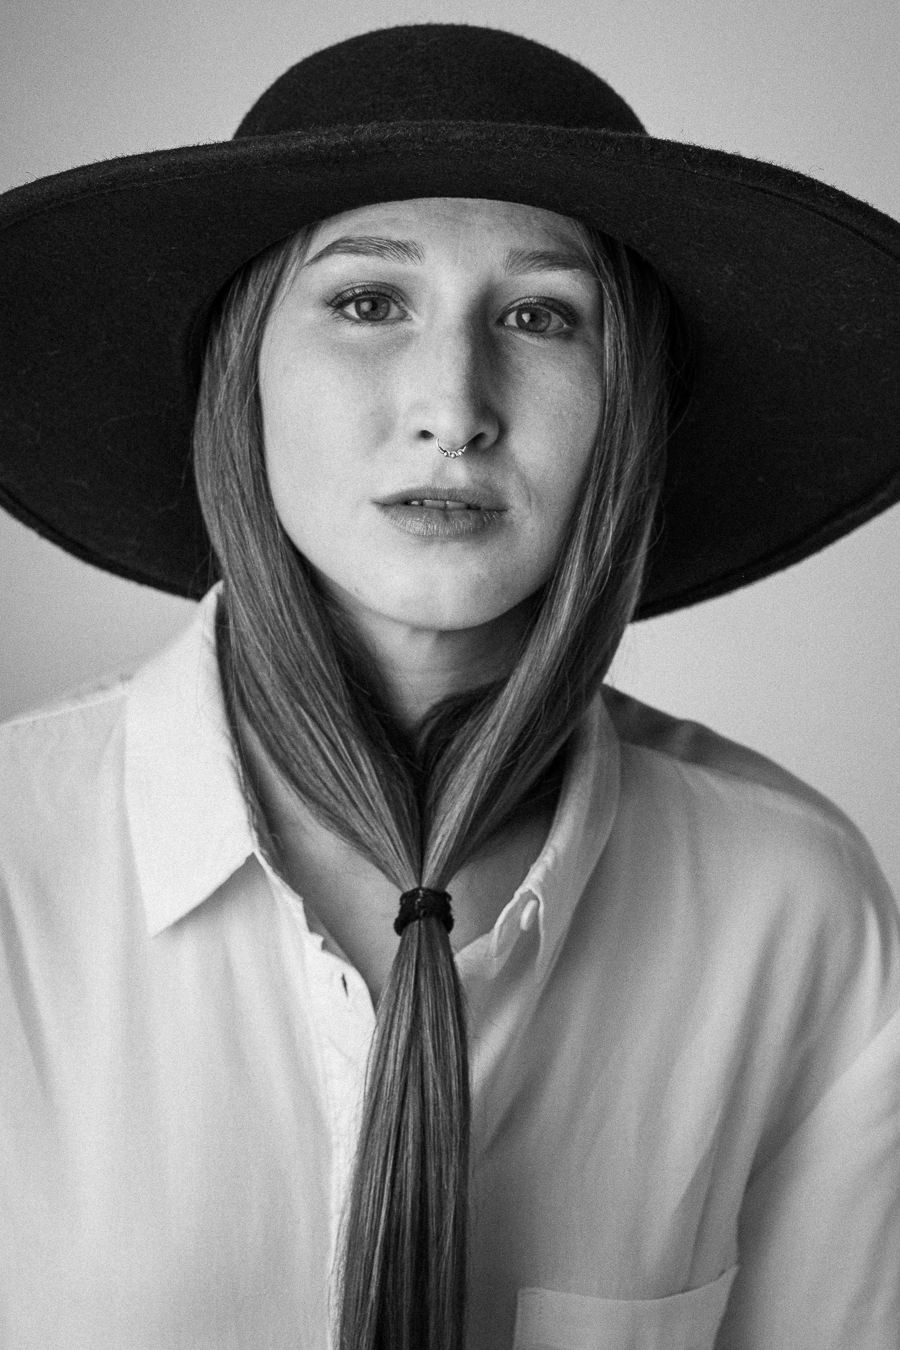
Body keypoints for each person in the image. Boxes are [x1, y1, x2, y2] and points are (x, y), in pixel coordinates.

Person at [1, 22, 899, 1350]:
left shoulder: (792, 905)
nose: (453, 403)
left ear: (632, 400)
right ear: (238, 373)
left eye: (541, 317)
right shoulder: (17, 864)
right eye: (369, 302)